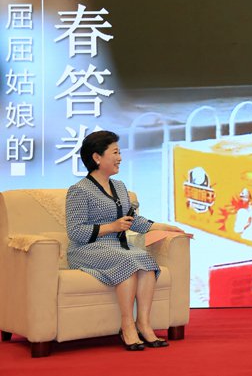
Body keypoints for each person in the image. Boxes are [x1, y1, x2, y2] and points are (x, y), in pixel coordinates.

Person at [65, 130, 185, 351]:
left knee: (145, 261)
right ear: (97, 157)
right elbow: (75, 232)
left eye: (119, 152)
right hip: (86, 249)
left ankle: (144, 324)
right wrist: (111, 227)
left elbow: (132, 220)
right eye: (115, 153)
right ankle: (127, 326)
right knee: (129, 261)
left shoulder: (120, 187)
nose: (120, 158)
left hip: (118, 247)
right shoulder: (79, 191)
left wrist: (162, 227)